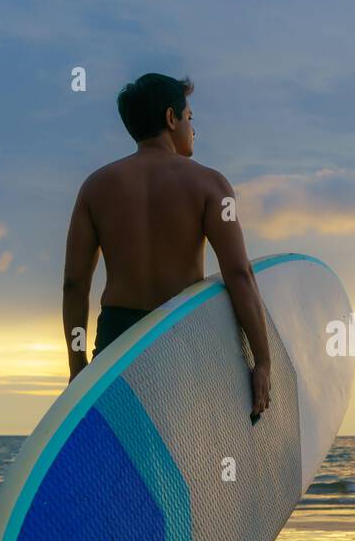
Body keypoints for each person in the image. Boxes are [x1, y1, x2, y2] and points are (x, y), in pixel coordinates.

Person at [60, 72, 271, 419]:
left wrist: (78, 367)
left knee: (125, 450)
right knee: (185, 445)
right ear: (170, 119)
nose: (193, 129)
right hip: (181, 333)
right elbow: (238, 274)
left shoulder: (95, 187)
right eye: (189, 118)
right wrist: (262, 361)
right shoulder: (210, 184)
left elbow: (74, 284)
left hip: (117, 339)